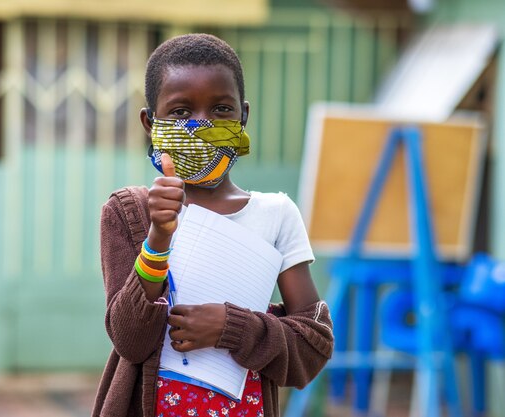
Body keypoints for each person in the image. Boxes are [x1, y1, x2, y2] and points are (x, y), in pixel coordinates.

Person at [93, 33, 333, 417]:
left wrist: (233, 327)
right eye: (181, 112)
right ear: (149, 123)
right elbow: (130, 340)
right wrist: (158, 237)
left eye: (221, 109)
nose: (201, 126)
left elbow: (313, 346)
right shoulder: (130, 213)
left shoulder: (276, 215)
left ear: (244, 116)